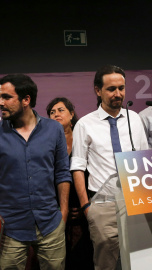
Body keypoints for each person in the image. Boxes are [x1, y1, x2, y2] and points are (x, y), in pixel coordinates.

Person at [0, 74, 72, 270]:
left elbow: (62, 173)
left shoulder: (53, 129)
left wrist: (62, 214)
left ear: (26, 100)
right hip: (10, 228)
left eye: (6, 97)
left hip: (50, 224)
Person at [70, 65, 149, 269]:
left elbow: (146, 158)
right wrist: (87, 206)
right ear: (98, 90)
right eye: (111, 89)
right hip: (103, 205)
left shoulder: (135, 119)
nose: (118, 94)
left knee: (140, 260)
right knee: (106, 264)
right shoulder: (85, 124)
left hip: (137, 200)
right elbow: (77, 166)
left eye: (121, 88)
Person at [46, 97, 94, 270]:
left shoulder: (85, 139)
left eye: (60, 110)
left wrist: (85, 206)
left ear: (72, 114)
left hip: (85, 208)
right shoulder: (46, 144)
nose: (56, 114)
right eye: (52, 112)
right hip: (55, 210)